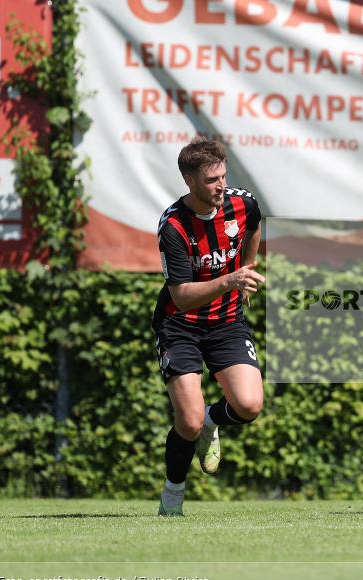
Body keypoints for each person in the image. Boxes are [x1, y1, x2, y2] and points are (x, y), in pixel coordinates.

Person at [152, 136, 265, 516]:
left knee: (249, 405)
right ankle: (173, 495)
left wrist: (247, 269)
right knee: (187, 418)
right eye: (211, 180)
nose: (220, 186)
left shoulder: (242, 203)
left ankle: (212, 423)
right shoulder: (173, 226)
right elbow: (182, 296)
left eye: (222, 176)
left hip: (227, 321)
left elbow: (254, 227)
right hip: (179, 326)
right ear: (189, 181)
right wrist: (231, 280)